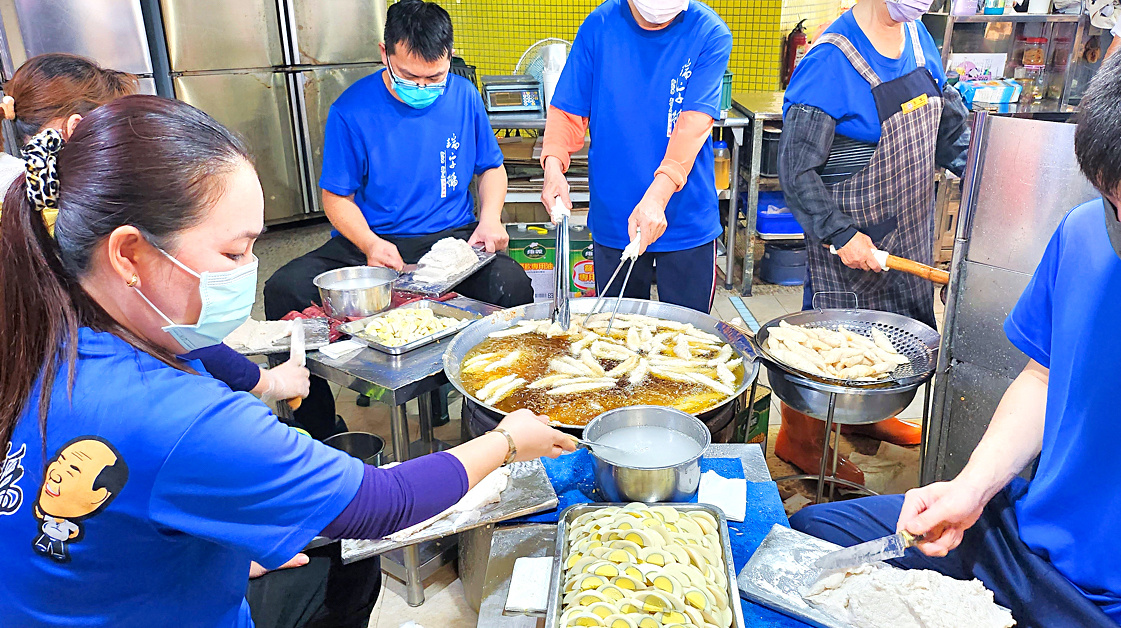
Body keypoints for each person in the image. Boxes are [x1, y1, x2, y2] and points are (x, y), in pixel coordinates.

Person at [0, 94, 575, 627]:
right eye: (232, 251)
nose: (247, 268)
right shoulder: (184, 420)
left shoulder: (43, 324)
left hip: (99, 593)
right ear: (129, 253)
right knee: (352, 557)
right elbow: (383, 503)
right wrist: (507, 441)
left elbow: (202, 354)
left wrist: (217, 543)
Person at [792, 4, 1121, 626]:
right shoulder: (1086, 235)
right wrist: (969, 489)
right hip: (1023, 539)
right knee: (806, 538)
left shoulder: (918, 48)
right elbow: (1042, 378)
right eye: (1110, 198)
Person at [264, 0, 533, 441]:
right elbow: (336, 197)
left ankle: (490, 423)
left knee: (511, 287)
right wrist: (369, 242)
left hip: (451, 239)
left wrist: (490, 219)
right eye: (410, 76)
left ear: (449, 57)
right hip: (371, 242)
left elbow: (492, 168)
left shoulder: (463, 95)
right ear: (384, 53)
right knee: (283, 290)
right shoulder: (351, 110)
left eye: (434, 77)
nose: (424, 86)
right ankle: (317, 428)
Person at [0, 52, 311, 409]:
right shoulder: (66, 227)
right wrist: (269, 382)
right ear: (75, 129)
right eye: (120, 134)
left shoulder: (29, 194)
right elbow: (177, 330)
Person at [773, 0, 970, 479]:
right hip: (852, 243)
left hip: (910, 230)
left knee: (894, 335)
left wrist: (983, 179)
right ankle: (799, 440)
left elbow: (949, 131)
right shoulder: (831, 62)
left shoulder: (920, 40)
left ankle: (870, 423)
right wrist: (840, 234)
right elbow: (796, 171)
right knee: (829, 347)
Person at [539, 0, 732, 314]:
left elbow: (693, 123)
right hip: (615, 215)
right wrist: (553, 166)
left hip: (685, 218)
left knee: (690, 343)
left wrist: (657, 197)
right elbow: (568, 110)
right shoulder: (599, 25)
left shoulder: (709, 31)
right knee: (617, 343)